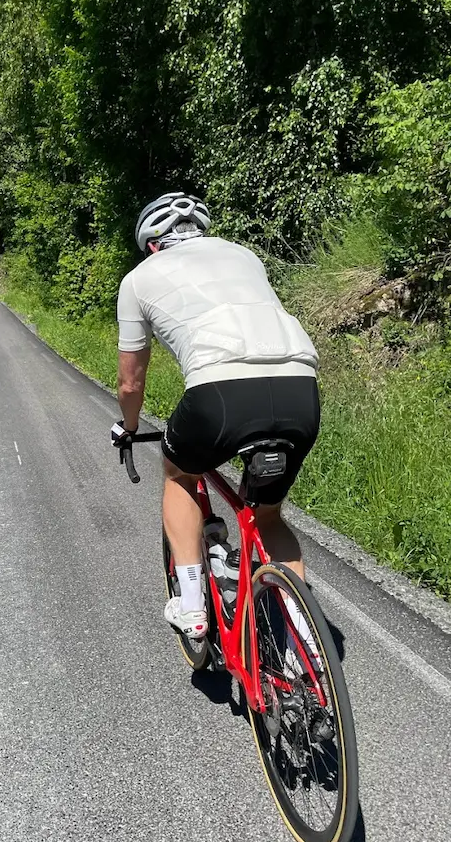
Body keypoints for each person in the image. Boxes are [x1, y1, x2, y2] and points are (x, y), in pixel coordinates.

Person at [111, 192, 320, 650]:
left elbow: (130, 383)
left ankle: (190, 604)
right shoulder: (243, 256)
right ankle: (303, 643)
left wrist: (127, 427)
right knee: (266, 514)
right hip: (301, 387)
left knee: (179, 473)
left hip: (219, 391)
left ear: (151, 243)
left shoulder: (138, 278)